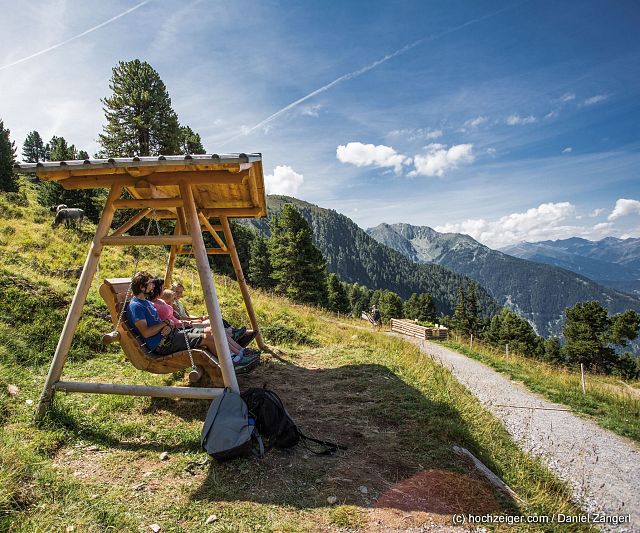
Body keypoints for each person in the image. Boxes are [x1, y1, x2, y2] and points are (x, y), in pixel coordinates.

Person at [126, 272, 257, 369]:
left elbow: (167, 322)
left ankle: (235, 356)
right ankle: (232, 363)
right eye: (150, 283)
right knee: (207, 337)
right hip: (162, 344)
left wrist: (169, 325)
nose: (153, 285)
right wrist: (165, 324)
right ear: (142, 287)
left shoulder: (145, 302)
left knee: (210, 331)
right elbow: (146, 333)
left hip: (171, 335)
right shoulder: (136, 306)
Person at [171, 281, 257, 347]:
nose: (179, 294)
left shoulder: (180, 303)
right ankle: (237, 336)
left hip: (190, 322)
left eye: (181, 292)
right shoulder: (172, 304)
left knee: (218, 319)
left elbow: (188, 315)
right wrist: (200, 319)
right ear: (172, 291)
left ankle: (236, 333)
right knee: (214, 324)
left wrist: (201, 318)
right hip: (187, 326)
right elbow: (181, 318)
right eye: (177, 292)